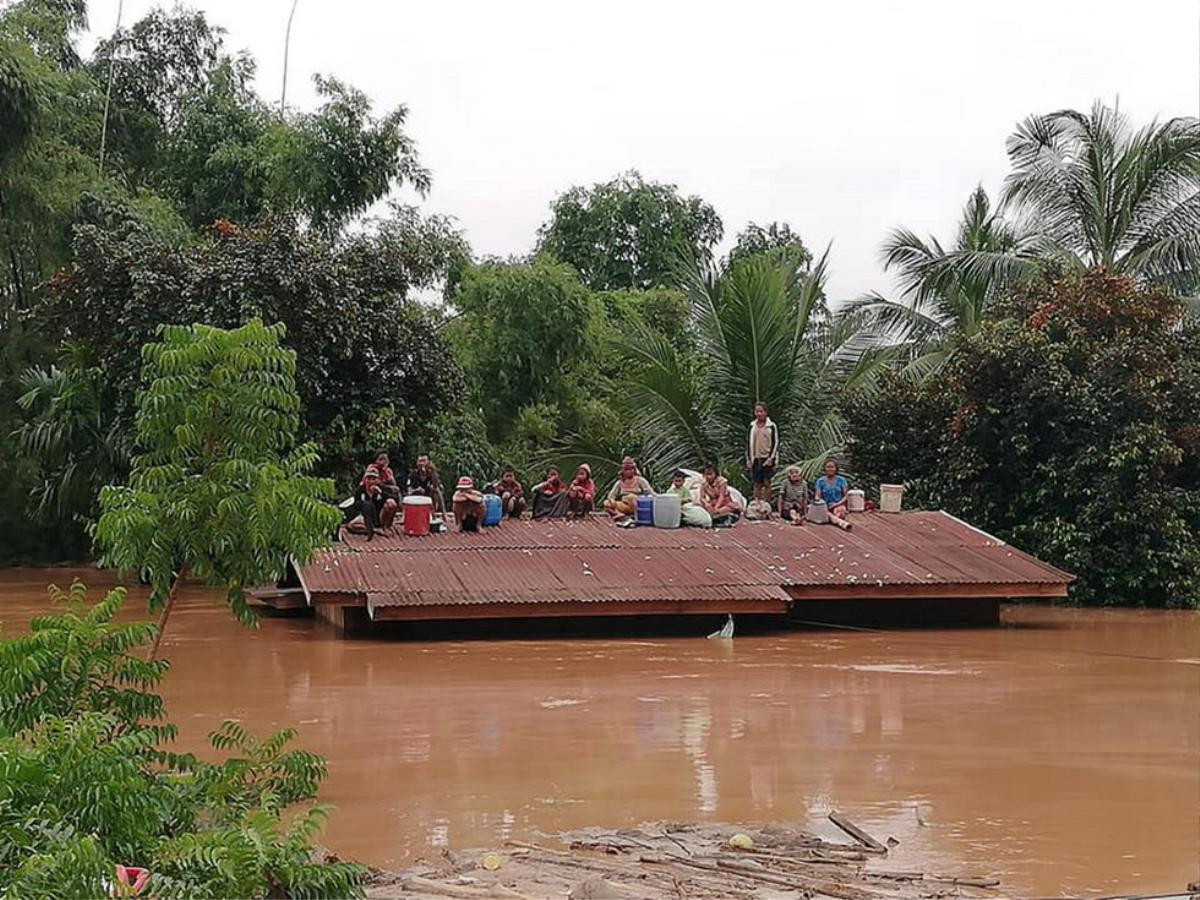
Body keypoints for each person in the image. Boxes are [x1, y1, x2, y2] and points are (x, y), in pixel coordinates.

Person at [348, 465, 398, 539]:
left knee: (391, 503)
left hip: (380, 516)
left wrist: (380, 494)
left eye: (373, 479)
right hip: (365, 517)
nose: (371, 481)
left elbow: (395, 499)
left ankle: (385, 527)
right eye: (369, 478)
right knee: (351, 526)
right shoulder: (360, 490)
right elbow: (356, 504)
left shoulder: (382, 488)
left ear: (378, 480)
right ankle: (374, 530)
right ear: (365, 480)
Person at [745, 402, 779, 509]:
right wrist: (748, 459)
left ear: (766, 412)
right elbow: (747, 443)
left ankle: (767, 506)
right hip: (755, 457)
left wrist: (771, 458)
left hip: (767, 457)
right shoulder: (752, 426)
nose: (759, 414)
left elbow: (775, 442)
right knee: (756, 483)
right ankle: (757, 505)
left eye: (761, 411)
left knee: (767, 482)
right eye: (757, 411)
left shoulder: (771, 426)